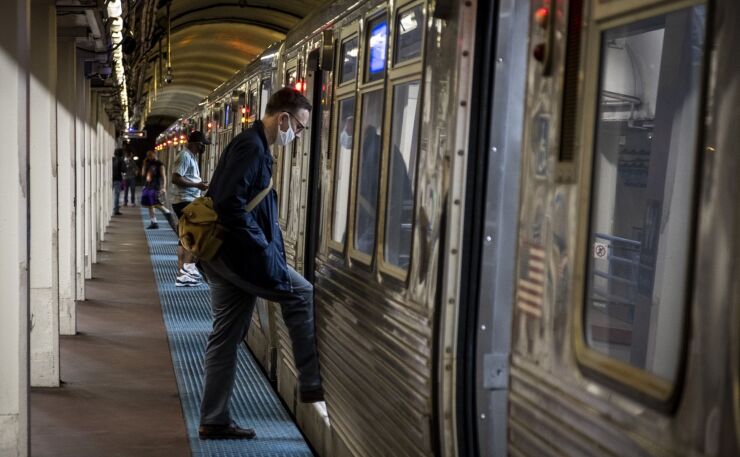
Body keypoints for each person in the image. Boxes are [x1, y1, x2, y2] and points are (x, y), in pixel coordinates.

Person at [197, 88, 323, 441]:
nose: (296, 135)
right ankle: (311, 382)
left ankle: (214, 419)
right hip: (239, 261)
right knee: (300, 292)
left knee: (226, 336)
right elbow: (228, 204)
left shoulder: (251, 145)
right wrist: (261, 247)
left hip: (226, 257)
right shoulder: (252, 148)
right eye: (298, 127)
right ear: (283, 118)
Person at [171, 131, 210, 287]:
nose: (203, 148)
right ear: (194, 144)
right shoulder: (185, 156)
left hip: (186, 199)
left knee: (184, 238)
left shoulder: (190, 157)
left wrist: (198, 183)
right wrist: (197, 185)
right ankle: (185, 273)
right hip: (184, 201)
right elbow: (176, 178)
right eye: (201, 145)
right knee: (195, 236)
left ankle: (183, 275)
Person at [140, 150, 176, 232]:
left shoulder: (160, 164)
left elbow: (164, 176)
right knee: (150, 204)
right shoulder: (148, 163)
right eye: (148, 156)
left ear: (154, 154)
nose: (149, 157)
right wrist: (144, 164)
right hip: (148, 186)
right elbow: (142, 174)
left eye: (150, 155)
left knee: (155, 203)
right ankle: (154, 222)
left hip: (156, 186)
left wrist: (164, 187)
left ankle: (167, 212)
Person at [112, 148, 125, 215]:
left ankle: (112, 208)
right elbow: (123, 170)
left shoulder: (112, 159)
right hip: (117, 179)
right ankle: (116, 210)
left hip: (111, 178)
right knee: (117, 195)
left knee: (112, 194)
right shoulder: (121, 160)